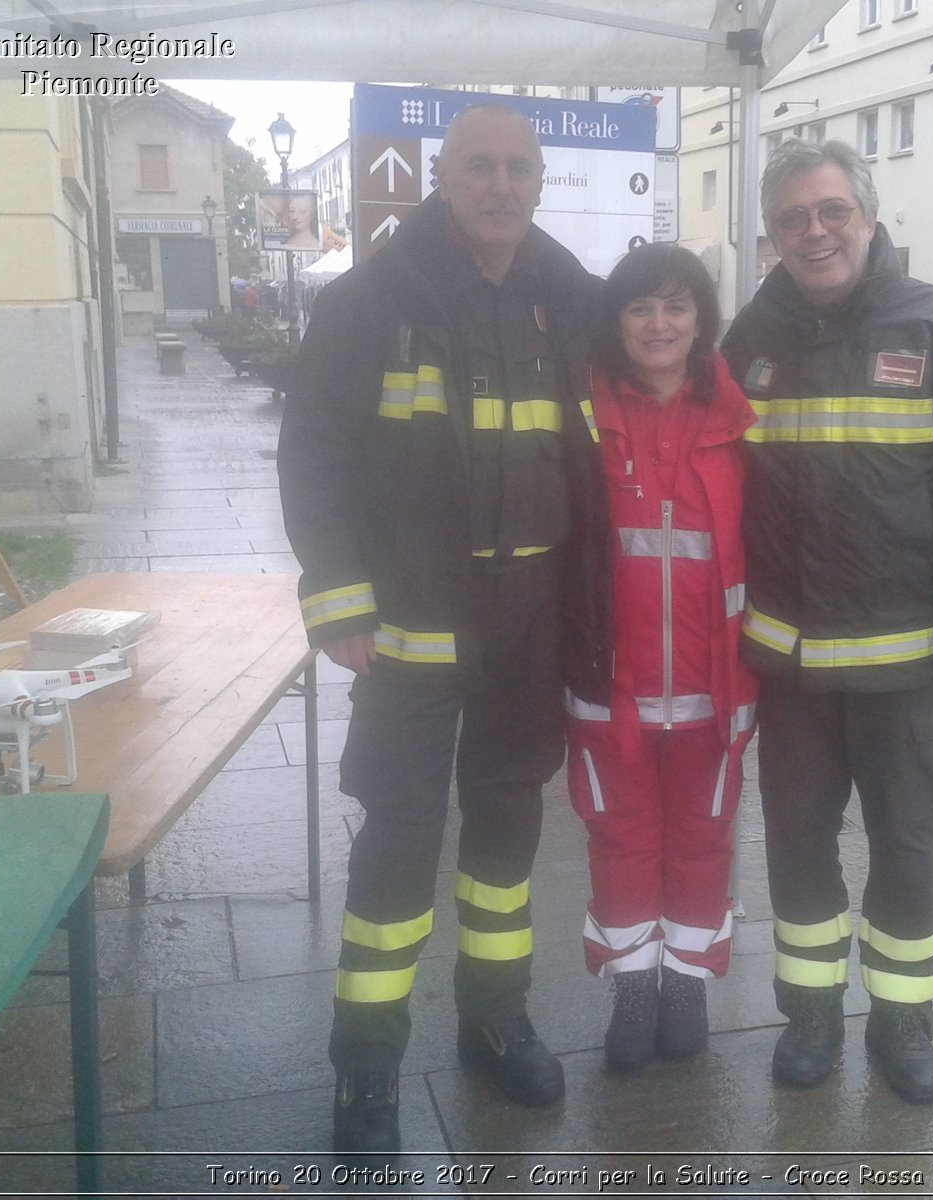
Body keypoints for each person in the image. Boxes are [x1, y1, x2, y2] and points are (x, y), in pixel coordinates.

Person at [277, 104, 601, 1156]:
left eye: (518, 168)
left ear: (540, 182)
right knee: (398, 851)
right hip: (411, 629)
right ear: (444, 177)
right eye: (479, 167)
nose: (500, 185)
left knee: (506, 842)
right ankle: (365, 1068)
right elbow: (313, 455)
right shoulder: (371, 302)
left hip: (526, 630)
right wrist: (336, 599)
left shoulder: (569, 301)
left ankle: (493, 1021)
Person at [720, 140, 933, 1103]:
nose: (813, 232)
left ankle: (904, 1025)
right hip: (789, 666)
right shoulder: (749, 340)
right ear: (772, 233)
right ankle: (811, 1016)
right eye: (791, 218)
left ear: (865, 213)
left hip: (906, 665)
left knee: (907, 848)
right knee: (799, 847)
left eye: (830, 211)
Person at [565, 243, 757, 1071]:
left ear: (702, 319)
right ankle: (632, 984)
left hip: (717, 685)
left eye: (676, 306)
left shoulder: (740, 419)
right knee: (621, 838)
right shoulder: (584, 416)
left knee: (704, 839)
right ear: (617, 322)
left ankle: (686, 981)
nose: (658, 323)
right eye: (640, 307)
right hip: (615, 686)